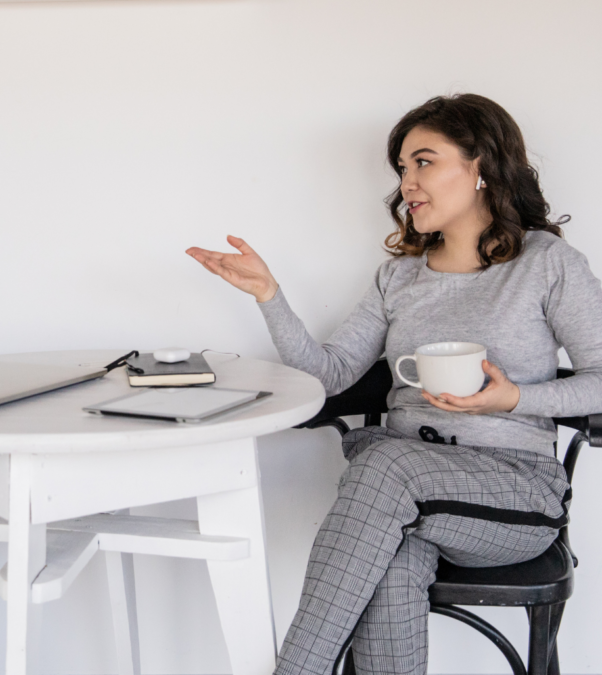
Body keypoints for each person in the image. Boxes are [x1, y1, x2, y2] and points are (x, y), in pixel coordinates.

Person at [187, 94, 602, 675]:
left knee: (384, 466)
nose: (407, 182)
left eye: (423, 162)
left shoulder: (547, 264)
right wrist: (269, 298)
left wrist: (515, 399)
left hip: (513, 493)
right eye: (402, 169)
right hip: (403, 500)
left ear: (480, 165)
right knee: (392, 562)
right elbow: (330, 376)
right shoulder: (398, 277)